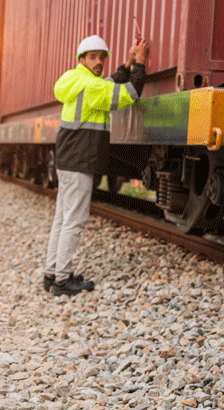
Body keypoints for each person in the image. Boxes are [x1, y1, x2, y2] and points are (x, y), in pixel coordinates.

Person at [44, 34, 149, 295]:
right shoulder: (92, 87)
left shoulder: (75, 79)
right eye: (93, 57)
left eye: (102, 57)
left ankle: (51, 273)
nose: (99, 61)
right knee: (74, 221)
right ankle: (62, 281)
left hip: (68, 159)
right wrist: (140, 64)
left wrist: (126, 66)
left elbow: (108, 83)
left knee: (62, 219)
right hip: (80, 160)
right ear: (82, 59)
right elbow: (130, 93)